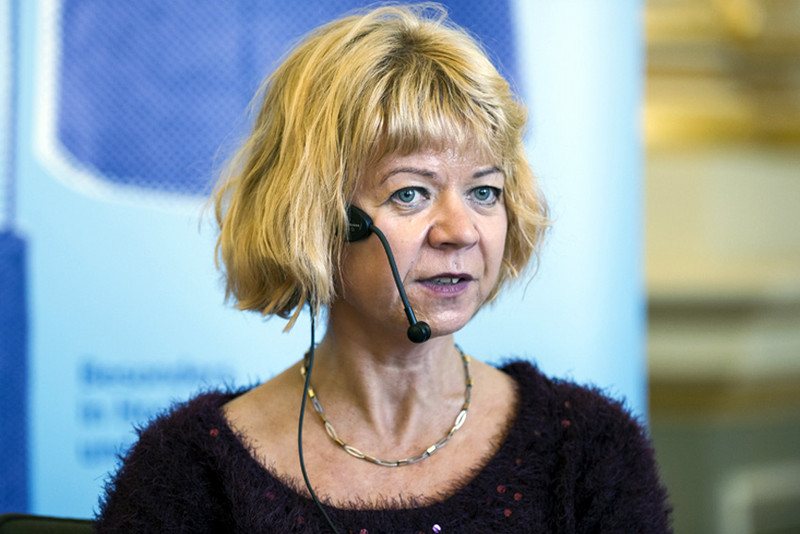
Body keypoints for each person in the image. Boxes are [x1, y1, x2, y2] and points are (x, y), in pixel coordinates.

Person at [95, 4, 671, 533]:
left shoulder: (586, 447)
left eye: (485, 191)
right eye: (411, 193)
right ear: (318, 216)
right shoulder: (192, 469)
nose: (461, 231)